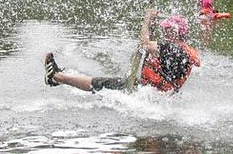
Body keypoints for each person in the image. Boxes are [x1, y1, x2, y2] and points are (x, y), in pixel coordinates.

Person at [44, 9, 200, 93]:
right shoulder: (184, 51)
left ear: (173, 33)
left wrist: (147, 19)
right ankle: (59, 77)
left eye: (166, 30)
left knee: (98, 82)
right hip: (158, 93)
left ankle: (55, 77)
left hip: (144, 93)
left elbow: (144, 44)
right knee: (109, 82)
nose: (164, 32)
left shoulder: (171, 49)